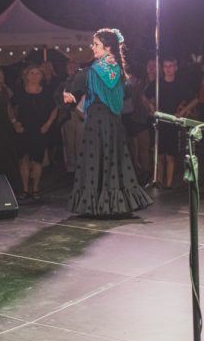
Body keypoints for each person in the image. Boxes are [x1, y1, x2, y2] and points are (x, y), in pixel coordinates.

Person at [64, 29, 153, 217]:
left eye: (96, 44)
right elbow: (127, 93)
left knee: (95, 160)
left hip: (96, 123)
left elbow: (71, 87)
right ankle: (116, 204)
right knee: (113, 161)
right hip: (113, 123)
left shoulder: (92, 71)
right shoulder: (119, 71)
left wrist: (68, 92)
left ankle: (95, 204)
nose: (93, 47)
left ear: (107, 47)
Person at [144, 57, 198, 189]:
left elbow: (195, 100)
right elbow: (144, 95)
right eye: (165, 66)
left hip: (173, 122)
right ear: (162, 68)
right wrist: (151, 106)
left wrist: (183, 112)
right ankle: (159, 181)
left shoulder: (180, 85)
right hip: (160, 120)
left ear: (175, 68)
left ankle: (168, 184)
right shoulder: (158, 83)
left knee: (170, 155)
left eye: (170, 66)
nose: (168, 69)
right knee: (159, 154)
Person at [12, 63, 58, 200]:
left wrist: (48, 124)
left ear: (42, 76)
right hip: (23, 129)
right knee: (24, 159)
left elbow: (55, 109)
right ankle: (25, 189)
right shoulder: (20, 91)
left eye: (37, 73)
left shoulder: (47, 91)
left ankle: (36, 188)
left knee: (37, 160)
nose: (34, 76)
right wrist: (14, 122)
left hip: (40, 129)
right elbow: (11, 107)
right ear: (26, 75)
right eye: (32, 73)